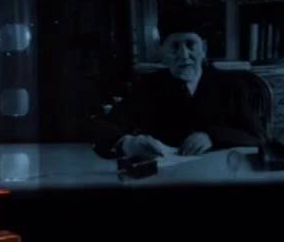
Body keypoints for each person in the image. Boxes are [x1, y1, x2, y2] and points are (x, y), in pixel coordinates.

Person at [93, 28, 263, 159]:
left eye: (190, 45)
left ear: (204, 49)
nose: (183, 54)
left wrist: (213, 136)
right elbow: (105, 125)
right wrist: (126, 143)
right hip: (165, 176)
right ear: (162, 53)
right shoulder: (147, 86)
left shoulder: (231, 85)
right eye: (174, 47)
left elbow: (257, 137)